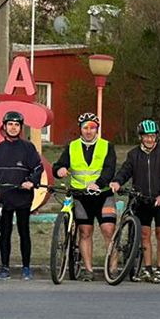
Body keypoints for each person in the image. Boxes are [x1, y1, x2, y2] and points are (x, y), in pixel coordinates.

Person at [111, 119, 160, 283]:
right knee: (144, 234)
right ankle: (147, 268)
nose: (149, 140)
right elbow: (125, 171)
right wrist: (117, 181)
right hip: (141, 200)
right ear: (140, 137)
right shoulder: (134, 154)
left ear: (157, 136)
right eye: (146, 136)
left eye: (152, 136)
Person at [54, 112, 118, 282]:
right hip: (81, 196)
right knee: (85, 232)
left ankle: (113, 267)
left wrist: (98, 183)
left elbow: (110, 169)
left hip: (103, 194)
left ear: (97, 129)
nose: (89, 131)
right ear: (80, 129)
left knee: (108, 230)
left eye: (92, 128)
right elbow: (59, 165)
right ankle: (88, 270)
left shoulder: (106, 146)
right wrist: (59, 170)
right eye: (85, 128)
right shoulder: (72, 146)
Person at [0, 111, 43, 281]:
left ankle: (26, 267)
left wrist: (31, 181)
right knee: (5, 233)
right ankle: (4, 267)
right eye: (10, 124)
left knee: (24, 232)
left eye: (17, 124)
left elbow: (37, 168)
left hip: (23, 197)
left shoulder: (28, 148)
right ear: (4, 126)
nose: (13, 127)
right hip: (3, 197)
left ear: (20, 127)